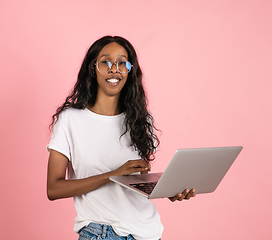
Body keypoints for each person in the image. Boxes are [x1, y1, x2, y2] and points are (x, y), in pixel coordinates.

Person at [46, 36, 195, 240]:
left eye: (122, 63)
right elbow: (53, 188)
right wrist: (112, 174)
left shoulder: (141, 119)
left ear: (129, 70)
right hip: (102, 233)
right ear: (93, 68)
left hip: (149, 232)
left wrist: (168, 190)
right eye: (105, 62)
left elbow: (131, 184)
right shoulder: (70, 120)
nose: (114, 69)